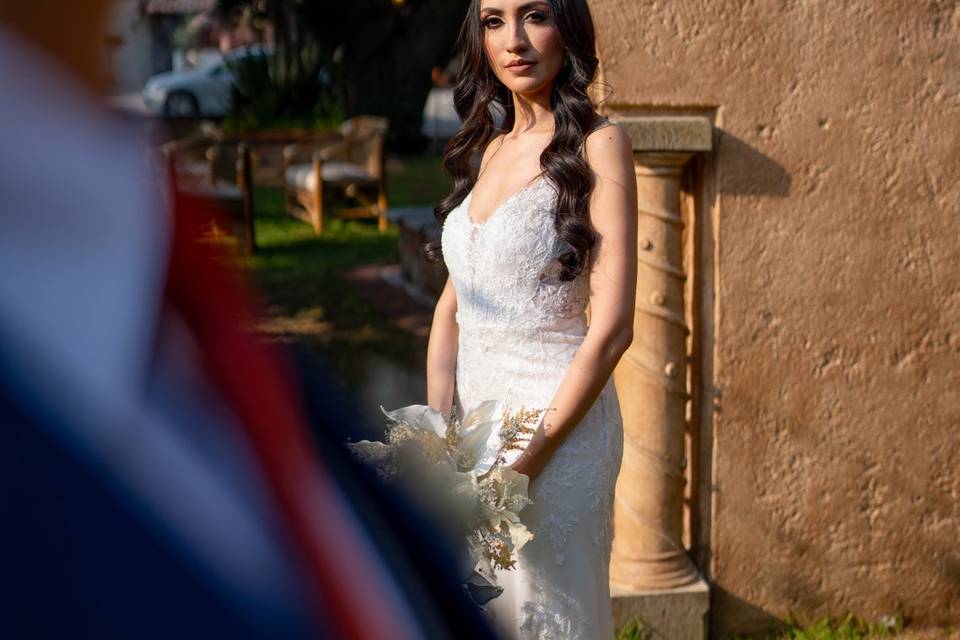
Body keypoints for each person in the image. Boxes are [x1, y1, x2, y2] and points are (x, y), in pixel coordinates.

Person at [423, 0, 639, 637]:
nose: (514, 39)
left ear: (567, 26)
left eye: (534, 15)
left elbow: (614, 329)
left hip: (557, 433)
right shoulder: (488, 147)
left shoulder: (601, 145)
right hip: (474, 432)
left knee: (546, 617)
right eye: (494, 20)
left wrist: (520, 470)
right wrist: (437, 433)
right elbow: (450, 306)